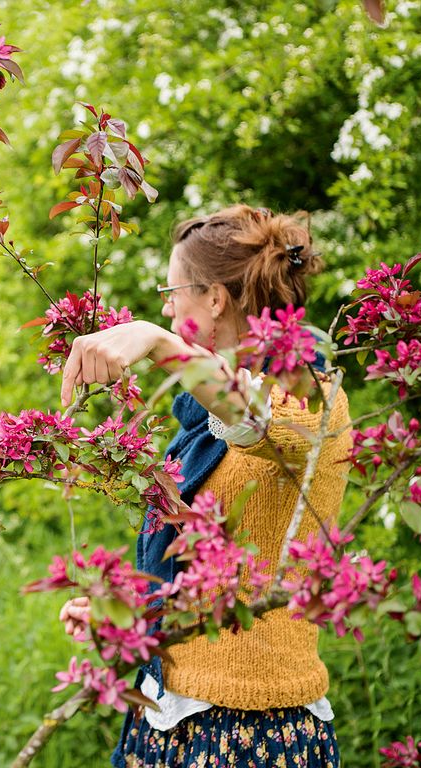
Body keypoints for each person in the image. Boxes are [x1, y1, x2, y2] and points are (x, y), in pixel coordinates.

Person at [58, 204, 350, 767]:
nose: (165, 307)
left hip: (252, 730)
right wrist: (123, 615)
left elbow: (258, 422)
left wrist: (156, 342)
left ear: (215, 298)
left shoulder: (315, 395)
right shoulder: (199, 416)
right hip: (166, 713)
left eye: (173, 292)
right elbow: (205, 575)